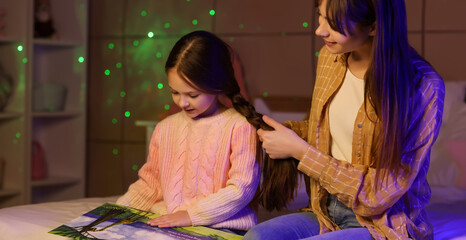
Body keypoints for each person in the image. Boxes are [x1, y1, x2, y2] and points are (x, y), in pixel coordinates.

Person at [244, 0, 444, 239]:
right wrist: (280, 133)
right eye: (320, 15)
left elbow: (379, 194)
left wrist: (301, 152)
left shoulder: (423, 86)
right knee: (257, 237)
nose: (320, 30)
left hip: (382, 224)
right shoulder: (331, 58)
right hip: (325, 211)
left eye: (335, 23)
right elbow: (327, 132)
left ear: (373, 27)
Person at [116, 30, 269, 235]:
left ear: (216, 85)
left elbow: (241, 189)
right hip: (171, 224)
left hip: (222, 228)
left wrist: (191, 215)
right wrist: (118, 211)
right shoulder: (165, 128)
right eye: (175, 92)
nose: (183, 102)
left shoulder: (239, 126)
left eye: (193, 94)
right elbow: (150, 184)